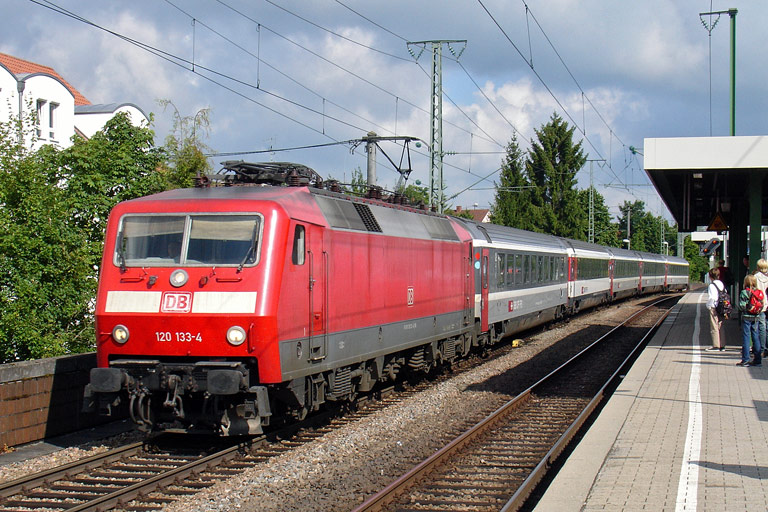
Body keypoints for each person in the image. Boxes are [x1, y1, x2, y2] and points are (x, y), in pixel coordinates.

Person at [737, 274, 763, 367]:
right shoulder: (758, 292)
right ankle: (758, 360)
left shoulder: (744, 292)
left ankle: (745, 360)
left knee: (746, 338)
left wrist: (747, 308)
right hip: (756, 317)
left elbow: (741, 306)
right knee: (756, 337)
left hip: (746, 317)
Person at [706, 268, 727, 352]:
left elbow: (712, 298)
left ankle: (716, 346)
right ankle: (722, 345)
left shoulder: (711, 285)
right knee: (721, 325)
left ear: (710, 276)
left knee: (714, 326)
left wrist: (708, 306)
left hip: (714, 307)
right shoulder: (721, 284)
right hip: (722, 307)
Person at [754, 259, 768, 357]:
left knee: (761, 327)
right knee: (766, 327)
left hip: (760, 304)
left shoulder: (756, 277)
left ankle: (762, 349)